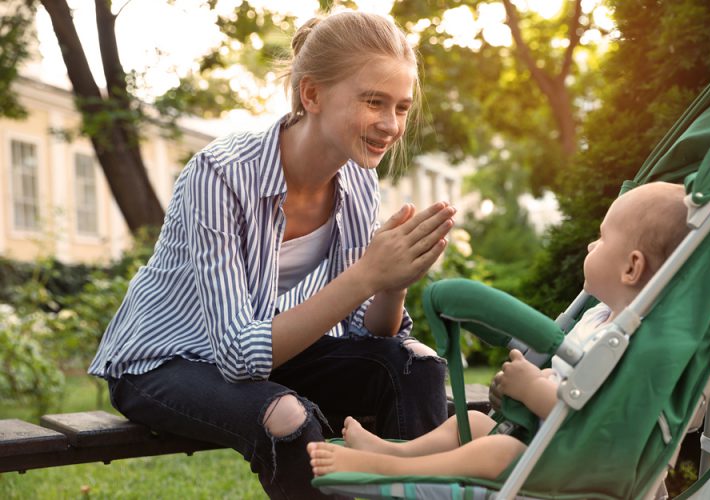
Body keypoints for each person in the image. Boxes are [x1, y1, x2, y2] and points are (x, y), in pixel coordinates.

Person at [88, 11, 453, 499]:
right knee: (286, 417)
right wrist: (367, 273)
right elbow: (238, 356)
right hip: (160, 364)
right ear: (312, 94)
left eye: (402, 107)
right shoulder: (219, 175)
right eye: (373, 102)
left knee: (415, 364)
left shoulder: (358, 179)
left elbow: (367, 334)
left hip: (259, 355)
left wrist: (393, 279)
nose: (391, 125)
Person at [307, 181, 691, 481]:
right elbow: (566, 378)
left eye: (603, 238)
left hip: (577, 469)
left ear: (631, 268)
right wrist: (522, 387)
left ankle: (388, 469)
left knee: (498, 453)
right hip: (544, 442)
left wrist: (533, 389)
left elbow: (598, 417)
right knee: (471, 423)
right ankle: (392, 452)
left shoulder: (633, 343)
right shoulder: (597, 319)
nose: (592, 243)